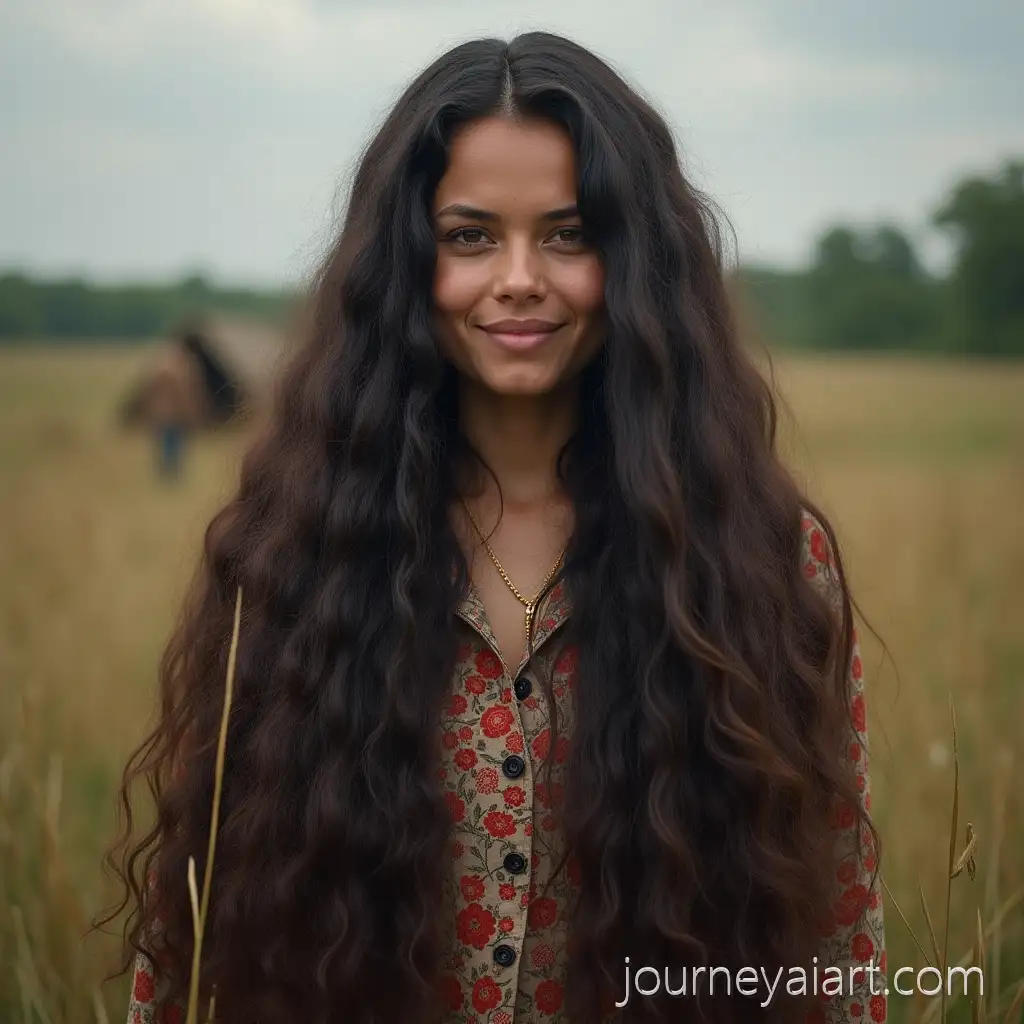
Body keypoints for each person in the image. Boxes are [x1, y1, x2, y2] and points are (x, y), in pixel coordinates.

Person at [106, 31, 885, 1024]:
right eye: (470, 235)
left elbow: (840, 930)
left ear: (635, 259)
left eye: (568, 234)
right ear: (405, 260)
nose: (519, 276)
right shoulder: (287, 552)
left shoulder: (769, 564)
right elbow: (187, 933)